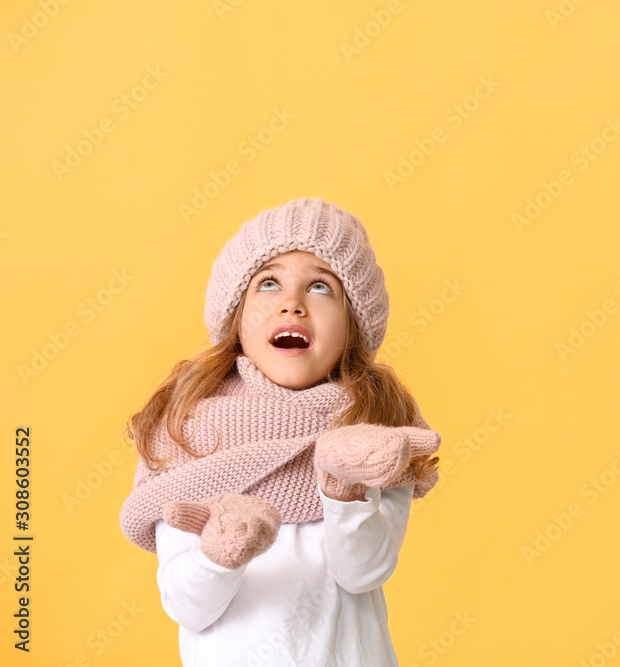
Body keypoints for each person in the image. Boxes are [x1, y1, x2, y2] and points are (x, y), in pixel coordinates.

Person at [119, 197, 441, 666]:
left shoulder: (374, 424)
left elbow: (364, 572)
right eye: (268, 283)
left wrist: (343, 488)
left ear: (353, 324)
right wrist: (220, 551)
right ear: (237, 316)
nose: (292, 304)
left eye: (321, 287)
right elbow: (187, 606)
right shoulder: (188, 428)